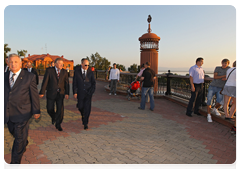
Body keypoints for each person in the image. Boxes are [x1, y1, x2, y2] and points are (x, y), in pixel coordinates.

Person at [4, 54, 40, 169]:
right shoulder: (3, 76)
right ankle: (24, 141)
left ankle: (14, 164)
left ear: (20, 63)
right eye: (11, 62)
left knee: (18, 139)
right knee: (14, 133)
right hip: (8, 113)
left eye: (15, 62)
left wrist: (36, 110)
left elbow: (34, 95)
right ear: (8, 63)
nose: (13, 64)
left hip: (22, 112)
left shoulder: (29, 77)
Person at [39, 58, 69, 131]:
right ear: (55, 64)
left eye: (62, 64)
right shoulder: (49, 70)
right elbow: (45, 81)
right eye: (60, 63)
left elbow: (67, 83)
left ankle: (58, 124)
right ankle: (54, 117)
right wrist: (42, 92)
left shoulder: (64, 72)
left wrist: (67, 93)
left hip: (60, 94)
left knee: (60, 110)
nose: (61, 65)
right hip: (51, 93)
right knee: (49, 108)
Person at [73, 58, 96, 130]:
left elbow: (93, 83)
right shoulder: (77, 72)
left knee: (87, 109)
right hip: (80, 93)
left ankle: (85, 123)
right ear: (82, 64)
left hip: (88, 93)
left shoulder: (90, 72)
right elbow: (74, 83)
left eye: (88, 65)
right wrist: (75, 92)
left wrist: (91, 92)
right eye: (85, 65)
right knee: (80, 107)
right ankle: (83, 114)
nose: (87, 66)